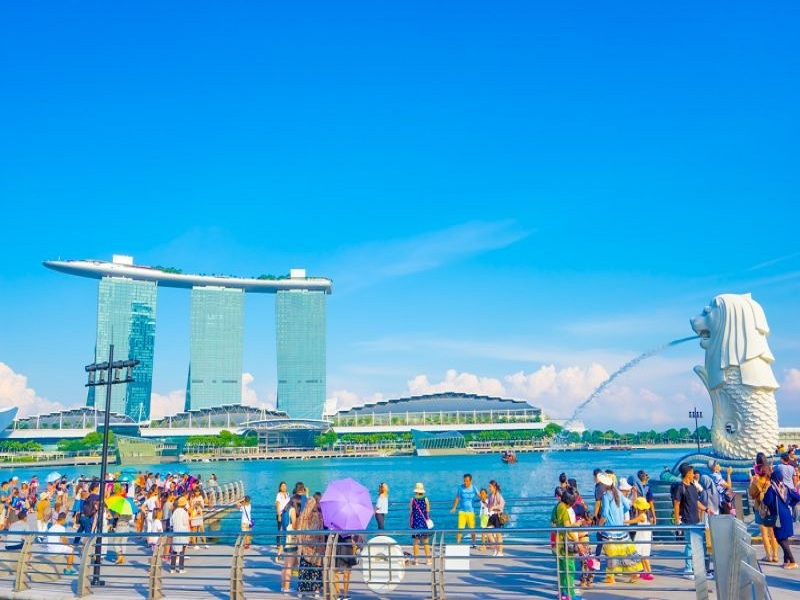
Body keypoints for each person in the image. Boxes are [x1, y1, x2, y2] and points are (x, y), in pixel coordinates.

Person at [598, 473, 641, 584]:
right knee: (625, 553)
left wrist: (599, 524)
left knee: (610, 554)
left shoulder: (605, 495)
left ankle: (610, 577)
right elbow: (627, 507)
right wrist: (619, 515)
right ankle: (634, 572)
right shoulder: (618, 493)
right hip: (621, 528)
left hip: (610, 529)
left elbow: (605, 513)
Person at [672, 463, 710, 580]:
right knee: (690, 545)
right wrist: (677, 521)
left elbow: (696, 502)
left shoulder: (693, 486)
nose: (694, 474)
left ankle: (700, 568)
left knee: (700, 545)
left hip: (696, 520)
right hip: (687, 520)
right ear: (687, 473)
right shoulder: (680, 488)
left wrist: (706, 509)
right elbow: (677, 504)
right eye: (692, 472)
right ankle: (688, 570)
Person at [762, 470, 800, 569]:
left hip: (778, 517)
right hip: (787, 515)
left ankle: (792, 561)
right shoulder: (786, 488)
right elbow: (797, 497)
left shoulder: (772, 489)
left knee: (780, 539)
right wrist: (789, 505)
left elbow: (767, 501)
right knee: (785, 538)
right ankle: (786, 560)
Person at [551, 489, 579, 600]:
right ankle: (569, 595)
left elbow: (553, 523)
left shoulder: (557, 507)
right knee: (569, 569)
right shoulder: (563, 508)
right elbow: (567, 528)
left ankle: (563, 593)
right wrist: (578, 542)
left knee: (562, 570)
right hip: (562, 544)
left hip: (555, 542)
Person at [749, 463, 779, 563]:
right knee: (772, 533)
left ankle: (768, 555)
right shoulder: (772, 482)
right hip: (771, 509)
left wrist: (753, 482)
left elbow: (751, 494)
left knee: (764, 534)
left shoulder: (756, 481)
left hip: (760, 509)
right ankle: (775, 555)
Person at [296, 496, 325, 596]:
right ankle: (316, 590)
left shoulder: (303, 515)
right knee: (316, 569)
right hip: (316, 548)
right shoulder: (320, 516)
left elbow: (299, 531)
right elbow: (321, 533)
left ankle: (301, 590)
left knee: (304, 569)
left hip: (306, 547)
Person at [280, 494, 301, 595]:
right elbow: (294, 525)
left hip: (285, 538)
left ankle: (283, 586)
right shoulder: (292, 510)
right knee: (289, 565)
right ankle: (287, 588)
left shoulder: (285, 509)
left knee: (286, 565)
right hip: (291, 540)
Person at [628, 496, 654, 580]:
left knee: (644, 557)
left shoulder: (642, 516)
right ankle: (645, 571)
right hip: (644, 538)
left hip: (643, 539)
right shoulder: (646, 515)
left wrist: (624, 521)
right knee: (643, 556)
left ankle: (649, 572)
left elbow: (633, 521)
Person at [450, 473, 478, 545]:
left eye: (467, 481)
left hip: (471, 512)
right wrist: (454, 507)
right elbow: (457, 498)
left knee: (472, 529)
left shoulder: (474, 488)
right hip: (462, 511)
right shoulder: (460, 487)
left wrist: (486, 501)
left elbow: (480, 496)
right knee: (460, 529)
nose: (466, 482)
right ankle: (458, 543)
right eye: (464, 481)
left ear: (471, 481)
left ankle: (474, 543)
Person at [409, 482, 432, 565]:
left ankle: (416, 560)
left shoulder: (413, 499)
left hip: (416, 522)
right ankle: (428, 560)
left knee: (416, 541)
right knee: (426, 541)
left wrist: (411, 521)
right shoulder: (426, 499)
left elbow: (411, 511)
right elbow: (428, 510)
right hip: (424, 522)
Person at [170, 496, 191, 574]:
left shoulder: (175, 511)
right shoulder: (184, 512)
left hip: (175, 532)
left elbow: (171, 522)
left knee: (174, 551)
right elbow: (186, 523)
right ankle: (181, 568)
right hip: (183, 532)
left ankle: (172, 568)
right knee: (182, 551)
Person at [486, 479, 505, 557]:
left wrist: (493, 507)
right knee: (489, 533)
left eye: (490, 486)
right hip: (491, 515)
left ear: (494, 486)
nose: (489, 487)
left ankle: (500, 552)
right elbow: (489, 505)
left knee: (498, 534)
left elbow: (502, 504)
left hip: (497, 515)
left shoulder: (498, 495)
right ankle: (496, 549)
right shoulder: (490, 495)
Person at [275, 481, 290, 560]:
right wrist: (279, 514)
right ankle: (278, 545)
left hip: (287, 514)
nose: (284, 487)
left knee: (285, 530)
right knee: (280, 530)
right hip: (281, 514)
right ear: (280, 487)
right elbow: (277, 504)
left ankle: (282, 546)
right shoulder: (279, 495)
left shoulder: (287, 494)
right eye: (282, 486)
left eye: (285, 486)